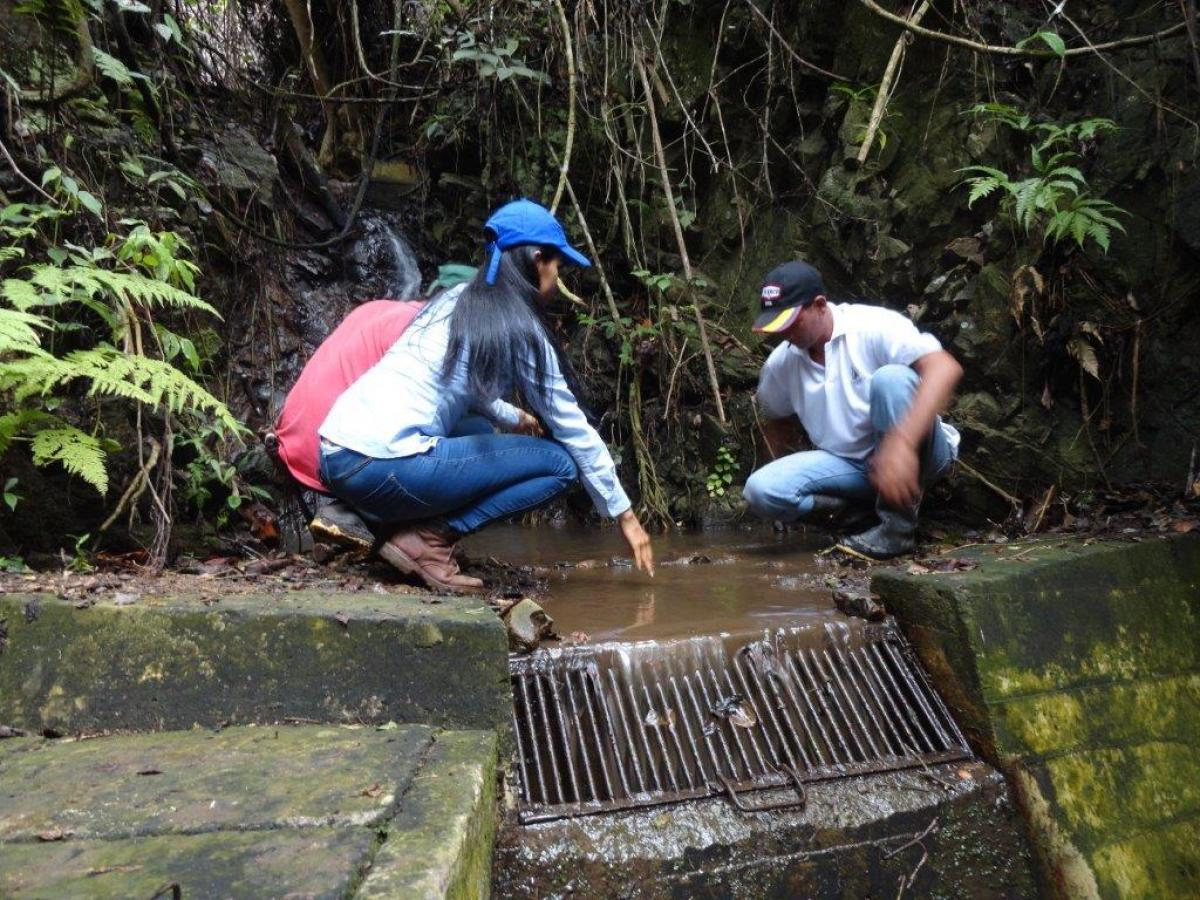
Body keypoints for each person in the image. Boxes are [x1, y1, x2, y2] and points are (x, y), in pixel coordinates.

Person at [317, 199, 655, 592]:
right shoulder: (521, 329)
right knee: (560, 465)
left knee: (475, 424)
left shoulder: (452, 300)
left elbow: (459, 386)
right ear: (537, 258)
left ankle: (366, 516)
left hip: (336, 456)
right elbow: (573, 428)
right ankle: (429, 541)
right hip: (382, 466)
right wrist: (625, 515)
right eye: (557, 265)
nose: (557, 277)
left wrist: (513, 417)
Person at [742, 261, 963, 559]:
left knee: (892, 379)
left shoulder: (872, 326)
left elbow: (944, 368)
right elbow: (776, 420)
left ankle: (897, 530)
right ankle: (860, 519)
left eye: (792, 322)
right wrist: (782, 468)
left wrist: (900, 445)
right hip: (851, 469)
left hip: (919, 455)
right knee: (761, 489)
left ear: (820, 305)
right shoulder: (781, 365)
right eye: (778, 326)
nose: (786, 333)